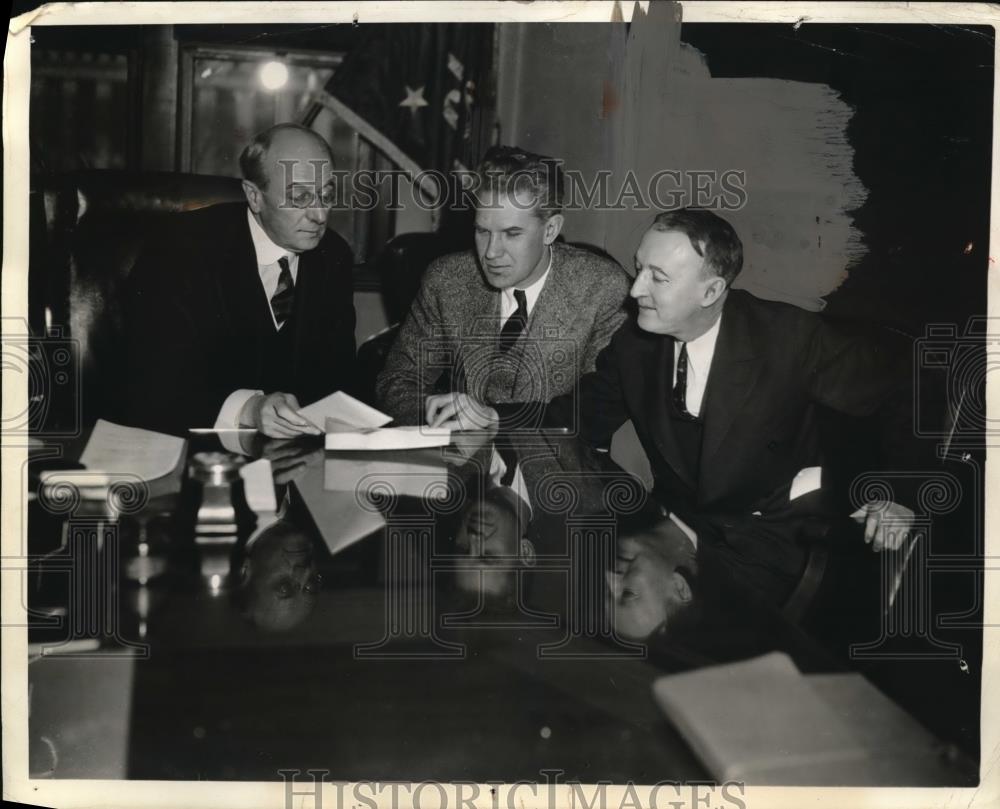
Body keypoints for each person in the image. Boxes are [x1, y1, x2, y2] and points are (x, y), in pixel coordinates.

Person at [499, 208, 922, 606]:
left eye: (657, 278)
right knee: (571, 590)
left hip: (775, 539)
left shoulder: (788, 337)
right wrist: (486, 416)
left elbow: (903, 391)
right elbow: (573, 418)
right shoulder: (636, 345)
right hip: (674, 528)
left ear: (711, 290)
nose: (634, 289)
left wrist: (898, 494)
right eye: (639, 267)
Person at [123, 123, 357, 437]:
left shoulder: (334, 256)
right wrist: (247, 409)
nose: (319, 215)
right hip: (196, 451)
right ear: (254, 196)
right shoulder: (181, 248)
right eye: (300, 197)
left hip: (297, 453)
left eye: (326, 195)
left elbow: (338, 379)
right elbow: (153, 384)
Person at [376, 145, 630, 429]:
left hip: (554, 463)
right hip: (459, 459)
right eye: (483, 231)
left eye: (512, 234)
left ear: (551, 230)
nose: (491, 252)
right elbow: (398, 381)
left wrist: (494, 423)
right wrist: (444, 423)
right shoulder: (446, 279)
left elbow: (597, 411)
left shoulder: (602, 288)